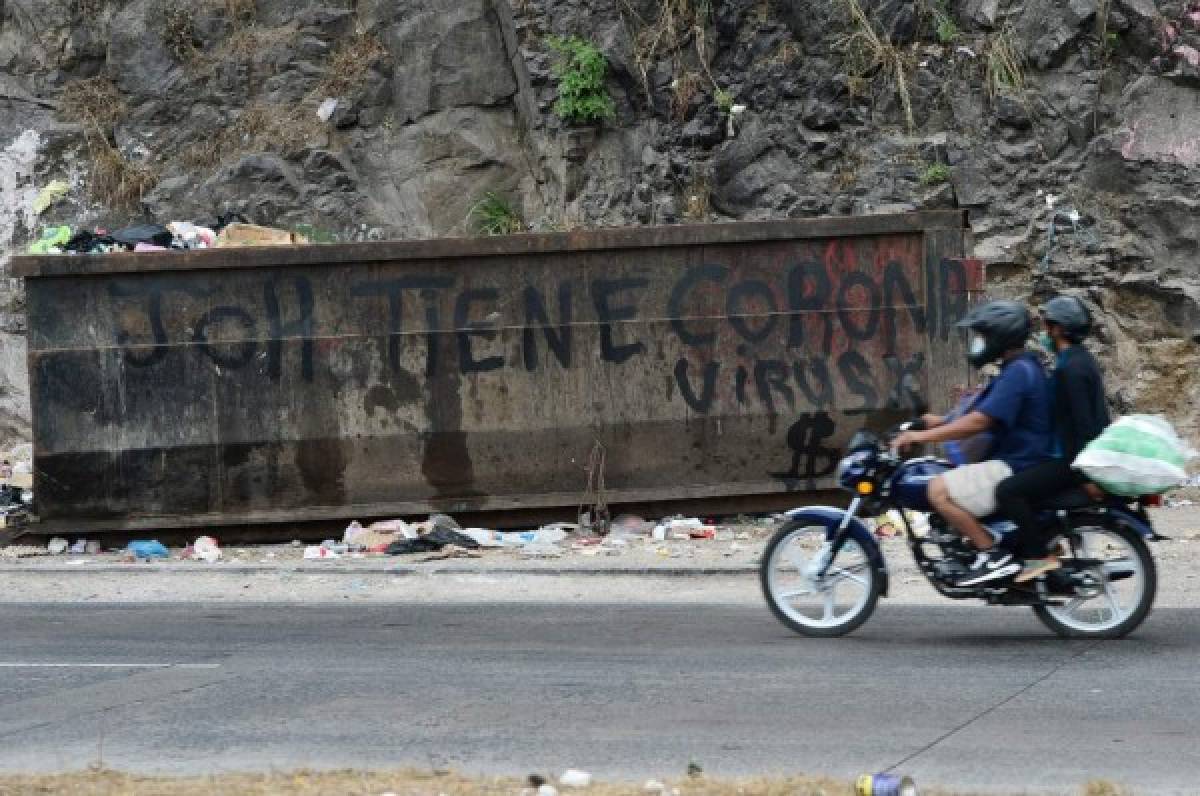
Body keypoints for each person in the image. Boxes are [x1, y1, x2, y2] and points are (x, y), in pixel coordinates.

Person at [892, 300, 1054, 586]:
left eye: (983, 336)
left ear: (1000, 336)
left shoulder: (1018, 372)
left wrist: (920, 437)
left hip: (1017, 463)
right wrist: (934, 421)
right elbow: (977, 410)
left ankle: (990, 553)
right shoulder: (1019, 367)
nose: (979, 342)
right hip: (1016, 459)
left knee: (937, 490)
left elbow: (978, 422)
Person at [995, 295, 1111, 582]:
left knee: (1007, 491)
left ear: (1059, 329)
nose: (1045, 331)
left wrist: (1086, 475)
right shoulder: (1079, 360)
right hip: (1074, 457)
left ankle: (1038, 557)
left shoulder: (1070, 369)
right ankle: (1048, 543)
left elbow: (1083, 423)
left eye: (1048, 325)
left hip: (1072, 462)